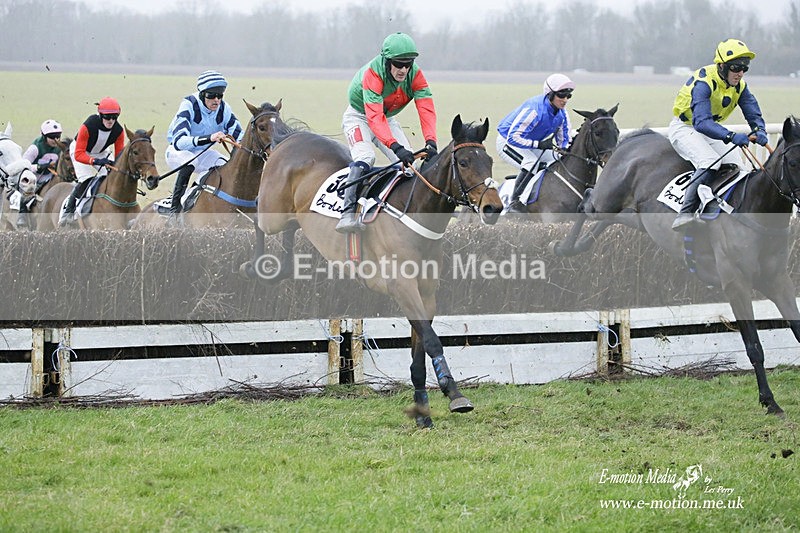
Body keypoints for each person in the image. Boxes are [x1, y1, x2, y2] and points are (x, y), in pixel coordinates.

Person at [337, 32, 438, 233]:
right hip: (359, 116)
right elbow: (373, 118)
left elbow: (426, 108)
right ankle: (347, 213)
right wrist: (395, 146)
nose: (403, 70)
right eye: (398, 64)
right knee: (366, 157)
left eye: (408, 64)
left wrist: (431, 141)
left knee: (410, 165)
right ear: (387, 60)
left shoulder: (415, 74)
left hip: (386, 118)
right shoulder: (373, 74)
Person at [670, 38, 768, 231]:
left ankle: (721, 208)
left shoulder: (740, 86)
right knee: (710, 161)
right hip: (686, 128)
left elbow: (752, 110)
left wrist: (760, 129)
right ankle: (685, 213)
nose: (740, 73)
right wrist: (731, 136)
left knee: (740, 168)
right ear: (722, 66)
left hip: (708, 129)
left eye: (744, 69)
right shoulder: (704, 83)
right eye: (735, 68)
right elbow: (701, 122)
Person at [165, 70, 244, 218]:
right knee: (191, 162)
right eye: (211, 96)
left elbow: (240, 135)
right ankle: (174, 211)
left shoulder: (224, 108)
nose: (216, 100)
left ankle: (203, 202)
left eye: (220, 96)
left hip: (203, 152)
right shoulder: (188, 104)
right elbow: (179, 141)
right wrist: (210, 138)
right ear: (202, 94)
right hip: (178, 152)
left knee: (225, 166)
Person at [497, 73, 574, 214]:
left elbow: (564, 140)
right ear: (550, 94)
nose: (565, 100)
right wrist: (538, 144)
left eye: (568, 96)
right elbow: (513, 137)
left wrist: (564, 152)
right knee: (531, 163)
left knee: (559, 160)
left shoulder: (562, 114)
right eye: (561, 95)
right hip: (507, 142)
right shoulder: (535, 110)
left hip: (531, 143)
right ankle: (515, 202)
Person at [59, 98, 125, 226]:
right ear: (100, 115)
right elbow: (79, 154)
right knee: (87, 180)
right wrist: (95, 161)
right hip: (81, 151)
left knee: (112, 179)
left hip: (102, 152)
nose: (111, 120)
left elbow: (119, 156)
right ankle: (69, 211)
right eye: (107, 117)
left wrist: (114, 166)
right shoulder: (88, 126)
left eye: (114, 117)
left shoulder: (119, 131)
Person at [20, 119, 63, 228]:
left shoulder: (59, 148)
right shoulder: (35, 148)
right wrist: (39, 167)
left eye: (58, 136)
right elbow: (23, 165)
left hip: (51, 178)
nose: (56, 140)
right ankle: (22, 216)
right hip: (33, 179)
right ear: (44, 136)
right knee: (26, 193)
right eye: (52, 137)